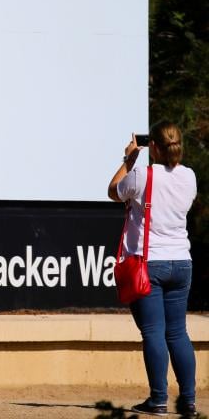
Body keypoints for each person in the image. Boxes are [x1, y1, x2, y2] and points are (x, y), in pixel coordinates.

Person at [107, 121, 198, 418]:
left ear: (154, 148)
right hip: (182, 262)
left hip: (150, 264)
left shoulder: (141, 176)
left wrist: (129, 160)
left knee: (154, 332)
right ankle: (187, 401)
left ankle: (158, 399)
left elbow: (112, 191)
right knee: (178, 333)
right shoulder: (189, 177)